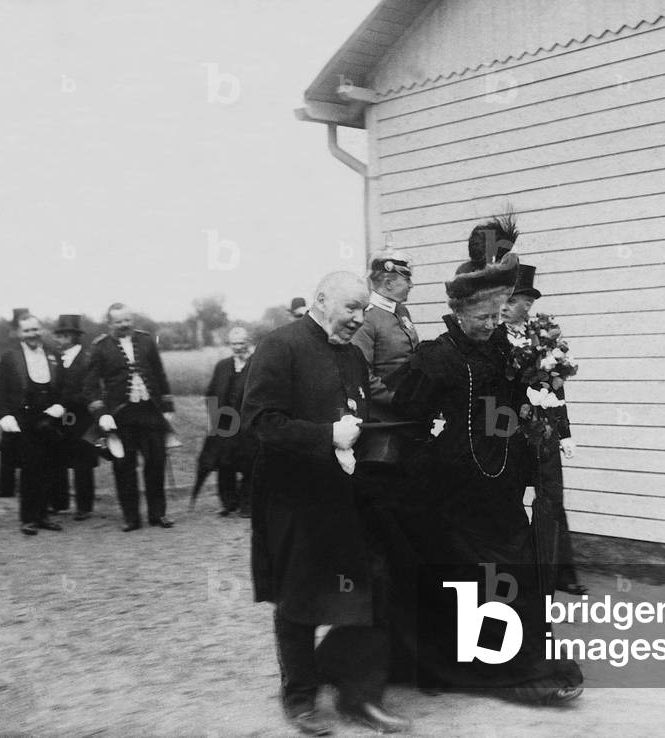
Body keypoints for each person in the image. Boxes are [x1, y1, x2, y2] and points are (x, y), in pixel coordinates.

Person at [388, 215, 583, 703]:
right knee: (477, 576)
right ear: (457, 310)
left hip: (501, 479)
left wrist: (536, 403)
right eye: (483, 317)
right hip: (453, 489)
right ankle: (503, 672)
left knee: (515, 566)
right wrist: (431, 461)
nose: (493, 324)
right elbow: (408, 420)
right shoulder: (435, 357)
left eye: (498, 315)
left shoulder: (504, 351)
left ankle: (525, 660)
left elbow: (513, 404)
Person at [242, 272, 410, 736]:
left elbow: (359, 419)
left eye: (363, 309)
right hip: (291, 497)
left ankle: (360, 696)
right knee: (298, 597)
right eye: (351, 307)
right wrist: (325, 435)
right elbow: (260, 422)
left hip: (345, 496)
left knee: (372, 585)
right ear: (320, 300)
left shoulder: (353, 355)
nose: (358, 318)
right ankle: (300, 700)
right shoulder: (280, 346)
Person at [501, 264, 586, 596]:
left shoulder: (544, 336)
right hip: (508, 430)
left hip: (544, 431)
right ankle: (518, 570)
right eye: (502, 300)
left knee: (551, 498)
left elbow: (557, 386)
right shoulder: (494, 337)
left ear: (528, 304)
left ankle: (559, 572)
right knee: (509, 499)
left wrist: (565, 433)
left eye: (513, 301)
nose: (504, 307)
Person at [85, 303, 175, 531]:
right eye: (119, 321)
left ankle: (158, 514)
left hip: (150, 412)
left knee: (156, 464)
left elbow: (160, 374)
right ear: (109, 323)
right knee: (124, 467)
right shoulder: (100, 347)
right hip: (121, 416)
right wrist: (101, 413)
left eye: (127, 320)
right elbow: (90, 386)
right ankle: (131, 518)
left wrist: (167, 406)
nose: (124, 325)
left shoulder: (146, 341)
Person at [0, 314, 66, 536]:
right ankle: (29, 518)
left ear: (41, 330)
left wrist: (60, 406)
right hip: (23, 419)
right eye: (27, 330)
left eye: (35, 329)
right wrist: (5, 416)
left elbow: (63, 388)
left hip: (49, 419)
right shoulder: (9, 357)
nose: (32, 334)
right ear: (19, 333)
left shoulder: (53, 355)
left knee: (49, 467)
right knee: (30, 468)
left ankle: (44, 516)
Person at [350, 249, 419, 422]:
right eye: (407, 280)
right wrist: (396, 400)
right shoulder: (366, 318)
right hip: (383, 419)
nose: (411, 285)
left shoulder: (401, 311)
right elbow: (362, 374)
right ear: (388, 283)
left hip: (408, 411)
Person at [200, 326, 255, 517]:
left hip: (248, 424)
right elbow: (211, 393)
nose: (238, 347)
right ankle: (228, 503)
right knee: (225, 463)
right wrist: (213, 422)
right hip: (225, 423)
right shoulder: (222, 366)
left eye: (241, 343)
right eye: (234, 344)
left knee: (249, 463)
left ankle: (247, 504)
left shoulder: (257, 365)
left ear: (248, 343)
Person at [51, 314, 98, 521]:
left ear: (72, 337)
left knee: (83, 462)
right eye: (58, 336)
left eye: (62, 336)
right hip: (61, 418)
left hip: (83, 417)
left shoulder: (87, 359)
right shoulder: (55, 359)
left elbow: (90, 391)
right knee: (58, 458)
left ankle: (84, 506)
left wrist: (64, 403)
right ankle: (59, 503)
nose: (58, 340)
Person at [0, 307, 30, 499]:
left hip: (32, 409)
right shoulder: (8, 354)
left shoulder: (41, 351)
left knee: (32, 449)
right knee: (7, 448)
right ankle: (6, 488)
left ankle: (30, 487)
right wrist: (3, 415)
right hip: (13, 409)